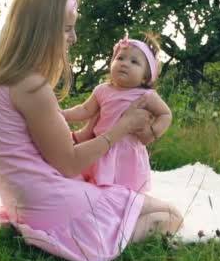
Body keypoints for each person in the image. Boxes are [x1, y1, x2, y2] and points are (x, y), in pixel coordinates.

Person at [0, 0, 183, 261]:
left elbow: (47, 146)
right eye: (67, 28)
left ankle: (82, 239)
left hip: (22, 198)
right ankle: (95, 248)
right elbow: (69, 162)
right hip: (47, 201)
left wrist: (86, 131)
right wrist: (121, 127)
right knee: (171, 217)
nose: (73, 38)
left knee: (145, 207)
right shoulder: (31, 86)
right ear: (42, 30)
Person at [62, 32, 172, 193]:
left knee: (126, 189)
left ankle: (125, 208)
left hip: (127, 152)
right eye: (120, 58)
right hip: (101, 146)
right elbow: (84, 109)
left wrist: (152, 132)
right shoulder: (102, 90)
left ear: (145, 77)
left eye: (134, 62)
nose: (124, 64)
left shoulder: (145, 96)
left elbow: (166, 114)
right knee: (96, 186)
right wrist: (61, 114)